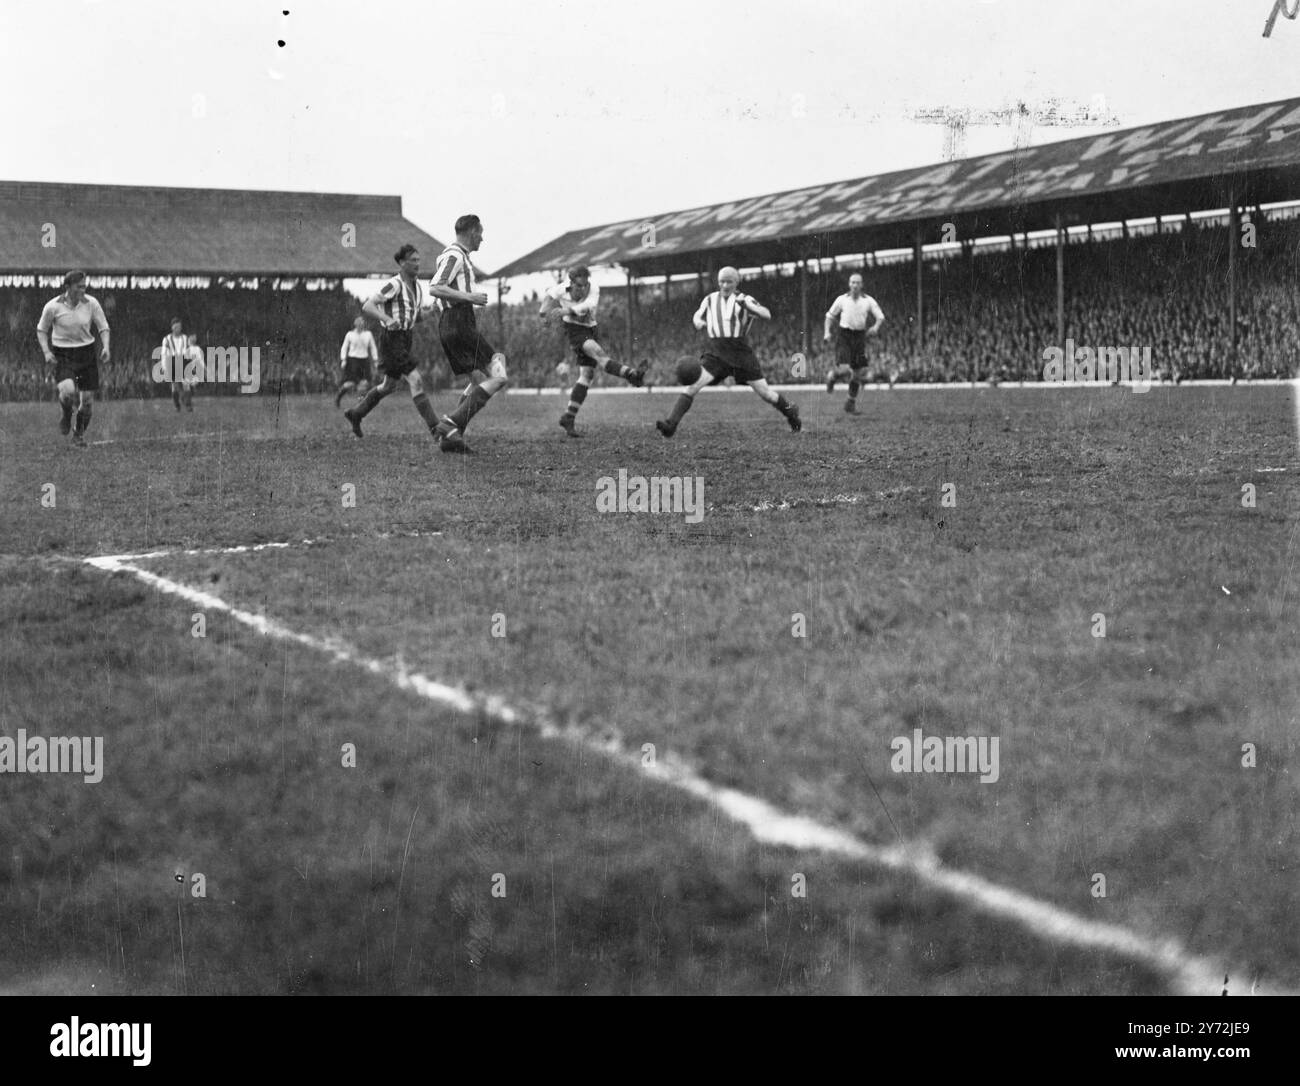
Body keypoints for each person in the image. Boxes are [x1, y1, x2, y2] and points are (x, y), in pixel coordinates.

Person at [656, 267, 801, 438]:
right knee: (693, 385)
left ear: (736, 282)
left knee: (766, 394)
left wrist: (748, 306)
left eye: (729, 281)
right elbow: (697, 315)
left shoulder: (744, 299)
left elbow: (766, 314)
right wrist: (699, 323)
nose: (725, 285)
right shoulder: (710, 299)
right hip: (716, 353)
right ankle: (670, 425)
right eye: (721, 281)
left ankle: (791, 413)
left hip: (740, 352)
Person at [429, 215, 508, 454]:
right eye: (480, 232)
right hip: (459, 321)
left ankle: (451, 437)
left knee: (477, 381)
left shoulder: (452, 256)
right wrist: (470, 298)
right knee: (499, 375)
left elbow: (440, 298)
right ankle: (451, 423)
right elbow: (434, 287)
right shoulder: (455, 255)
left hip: (452, 322)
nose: (482, 238)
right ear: (472, 231)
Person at [343, 244, 439, 438]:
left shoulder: (418, 287)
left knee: (388, 386)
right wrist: (387, 319)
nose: (417, 264)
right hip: (392, 339)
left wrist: (430, 313)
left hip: (405, 338)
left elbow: (414, 316)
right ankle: (436, 429)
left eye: (418, 260)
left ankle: (356, 413)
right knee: (416, 380)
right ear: (402, 263)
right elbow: (368, 305)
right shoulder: (394, 284)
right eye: (413, 260)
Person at [540, 265, 646, 437]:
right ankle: (631, 374)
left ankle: (568, 417)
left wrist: (564, 310)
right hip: (575, 330)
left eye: (584, 285)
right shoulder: (561, 289)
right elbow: (548, 296)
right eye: (578, 286)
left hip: (591, 329)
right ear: (571, 283)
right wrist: (543, 315)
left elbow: (587, 307)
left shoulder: (593, 289)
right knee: (600, 355)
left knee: (587, 375)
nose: (582, 289)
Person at [36, 270, 110, 447]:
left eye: (85, 286)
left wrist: (106, 346)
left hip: (86, 353)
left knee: (88, 403)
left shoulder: (91, 303)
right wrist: (47, 352)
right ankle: (66, 415)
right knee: (68, 392)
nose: (83, 290)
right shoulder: (53, 306)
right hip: (63, 354)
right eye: (79, 287)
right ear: (68, 287)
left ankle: (79, 435)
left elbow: (103, 326)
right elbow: (41, 330)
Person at [824, 273, 885, 413]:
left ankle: (850, 404)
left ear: (861, 285)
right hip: (844, 335)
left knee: (857, 374)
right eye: (852, 282)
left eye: (857, 283)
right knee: (845, 369)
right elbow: (829, 316)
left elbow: (880, 317)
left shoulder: (868, 301)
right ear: (849, 284)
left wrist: (875, 327)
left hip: (859, 336)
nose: (855, 285)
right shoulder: (842, 299)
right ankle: (832, 376)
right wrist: (827, 332)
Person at [336, 315, 378, 408]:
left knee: (365, 382)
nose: (360, 325)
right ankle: (338, 397)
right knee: (351, 383)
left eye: (362, 323)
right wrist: (343, 359)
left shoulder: (368, 334)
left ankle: (360, 404)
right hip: (353, 360)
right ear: (355, 324)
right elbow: (344, 347)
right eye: (359, 323)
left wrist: (375, 360)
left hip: (364, 360)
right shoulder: (350, 334)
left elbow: (373, 347)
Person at [161, 317, 194, 411]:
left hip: (183, 360)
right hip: (172, 361)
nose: (178, 329)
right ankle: (177, 405)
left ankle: (188, 405)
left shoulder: (185, 338)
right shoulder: (167, 339)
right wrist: (164, 367)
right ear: (172, 328)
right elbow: (164, 353)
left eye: (179, 327)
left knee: (186, 383)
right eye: (175, 327)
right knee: (175, 386)